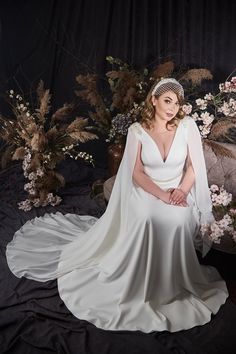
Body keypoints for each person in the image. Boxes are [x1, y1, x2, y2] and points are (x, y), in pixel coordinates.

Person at [6, 78, 228, 333]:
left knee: (178, 220)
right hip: (146, 189)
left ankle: (172, 284)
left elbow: (193, 167)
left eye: (177, 103)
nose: (172, 108)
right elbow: (137, 173)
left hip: (178, 189)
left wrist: (181, 191)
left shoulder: (187, 126)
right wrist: (162, 196)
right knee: (147, 218)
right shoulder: (137, 130)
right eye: (167, 100)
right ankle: (138, 282)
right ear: (153, 100)